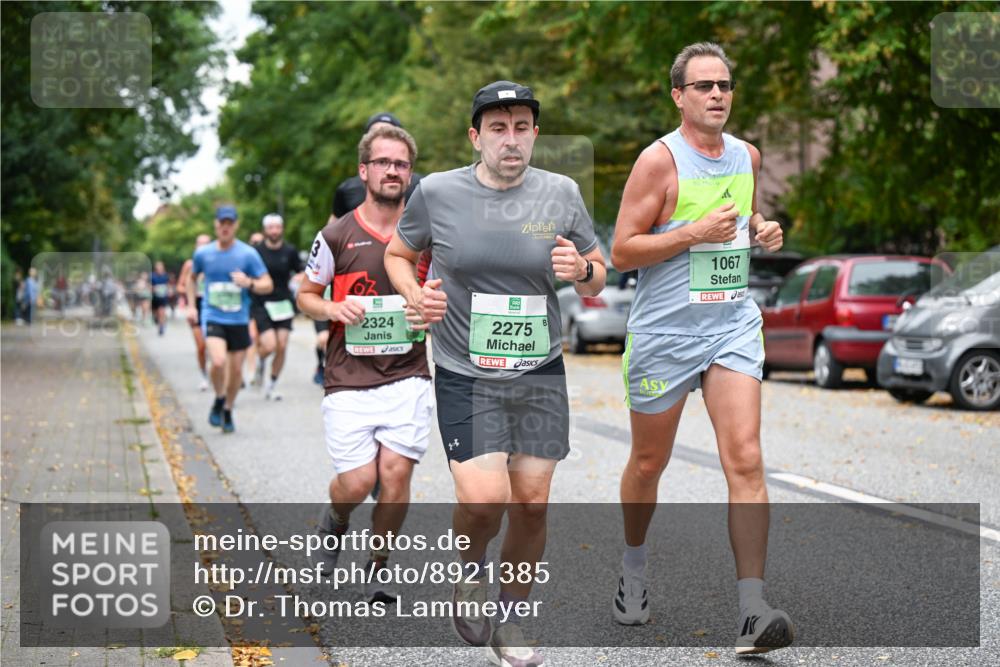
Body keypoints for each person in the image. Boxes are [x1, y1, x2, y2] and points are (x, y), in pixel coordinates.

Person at [385, 80, 605, 667]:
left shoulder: (560, 193)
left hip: (539, 371)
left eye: (523, 127)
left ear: (535, 133)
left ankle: (511, 620)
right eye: (499, 128)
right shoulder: (437, 192)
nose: (512, 140)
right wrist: (416, 295)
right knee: (485, 500)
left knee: (531, 505)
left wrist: (582, 267)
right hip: (465, 368)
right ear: (475, 136)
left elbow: (598, 271)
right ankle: (469, 569)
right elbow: (398, 254)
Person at [609, 43, 792, 655]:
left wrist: (760, 230)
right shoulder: (657, 162)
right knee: (647, 465)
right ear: (679, 96)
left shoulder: (747, 155)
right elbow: (623, 251)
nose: (717, 94)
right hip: (664, 334)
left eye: (725, 84)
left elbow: (741, 220)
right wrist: (691, 234)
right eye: (704, 85)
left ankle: (751, 609)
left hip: (731, 324)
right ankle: (633, 569)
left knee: (745, 458)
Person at [298, 124, 433, 603]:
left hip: (407, 372)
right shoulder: (336, 235)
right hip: (348, 378)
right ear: (365, 170)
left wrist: (429, 305)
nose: (391, 170)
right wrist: (333, 309)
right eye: (383, 162)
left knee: (395, 475)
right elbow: (305, 295)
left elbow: (444, 291)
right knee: (358, 482)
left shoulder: (426, 235)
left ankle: (378, 568)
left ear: (409, 173)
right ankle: (333, 520)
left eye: (400, 164)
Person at [186, 206, 273, 433]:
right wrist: (190, 306)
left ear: (235, 225)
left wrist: (249, 283)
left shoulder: (247, 254)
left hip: (239, 319)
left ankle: (227, 407)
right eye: (221, 223)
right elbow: (191, 278)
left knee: (236, 372)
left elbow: (267, 284)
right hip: (213, 315)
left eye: (229, 223)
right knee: (217, 362)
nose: (225, 227)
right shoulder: (203, 254)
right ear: (215, 224)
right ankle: (219, 396)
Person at [249, 214, 304, 400]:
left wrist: (300, 276)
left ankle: (271, 385)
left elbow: (301, 270)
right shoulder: (256, 251)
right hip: (262, 303)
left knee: (282, 345)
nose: (274, 231)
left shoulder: (290, 251)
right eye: (270, 227)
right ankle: (260, 359)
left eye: (277, 227)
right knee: (270, 345)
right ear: (265, 230)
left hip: (283, 304)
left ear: (282, 229)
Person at [331, 112, 423, 218]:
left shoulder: (422, 188)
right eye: (375, 134)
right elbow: (334, 225)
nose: (391, 172)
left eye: (390, 134)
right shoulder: (347, 190)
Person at [179, 234, 213, 391]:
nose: (203, 247)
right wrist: (190, 294)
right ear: (195, 247)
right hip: (196, 306)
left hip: (213, 304)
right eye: (200, 244)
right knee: (201, 346)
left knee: (214, 344)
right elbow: (180, 286)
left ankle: (217, 372)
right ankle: (204, 376)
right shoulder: (190, 264)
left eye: (206, 244)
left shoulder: (216, 261)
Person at [151, 261, 170, 335]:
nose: (159, 268)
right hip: (155, 297)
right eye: (158, 267)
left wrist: (168, 290)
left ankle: (161, 327)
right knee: (156, 313)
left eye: (161, 267)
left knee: (161, 312)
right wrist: (154, 288)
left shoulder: (165, 276)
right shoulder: (152, 276)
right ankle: (158, 321)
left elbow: (168, 285)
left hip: (163, 297)